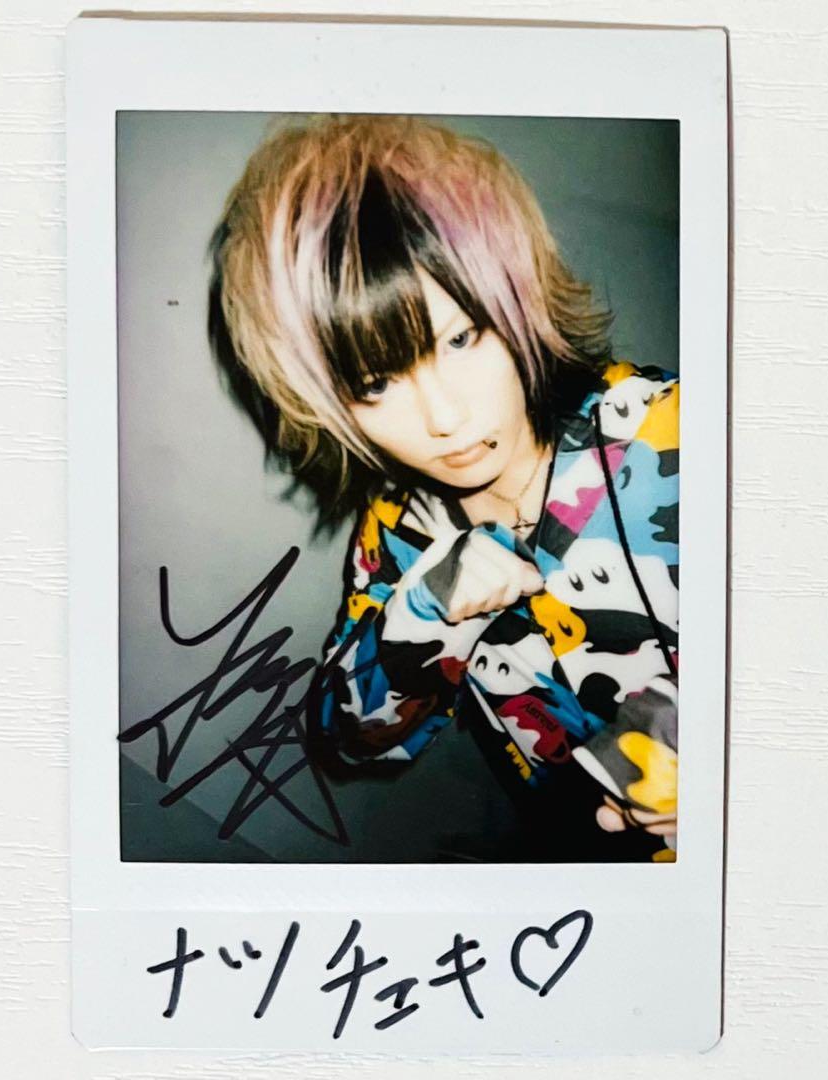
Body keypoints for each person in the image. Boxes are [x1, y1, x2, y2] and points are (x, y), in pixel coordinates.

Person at [207, 114, 679, 862]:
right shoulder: (398, 531)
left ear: (515, 300)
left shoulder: (675, 435)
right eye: (374, 384)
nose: (445, 419)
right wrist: (425, 614)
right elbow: (346, 741)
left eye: (460, 339)